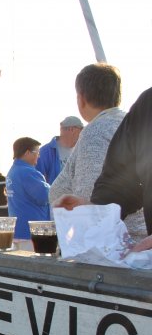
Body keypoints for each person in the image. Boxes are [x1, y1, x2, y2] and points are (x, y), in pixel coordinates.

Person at [48, 64, 145, 241]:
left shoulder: (95, 132)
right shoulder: (130, 124)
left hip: (113, 250)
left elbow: (92, 205)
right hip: (136, 244)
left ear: (81, 98)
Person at [6, 137, 50, 243]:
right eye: (37, 152)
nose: (38, 156)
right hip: (31, 233)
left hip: (18, 230)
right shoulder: (28, 172)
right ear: (27, 153)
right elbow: (45, 197)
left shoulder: (13, 171)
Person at [36, 116, 84, 183]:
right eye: (81, 130)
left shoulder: (81, 151)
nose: (83, 134)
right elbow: (38, 181)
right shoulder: (45, 152)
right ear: (72, 130)